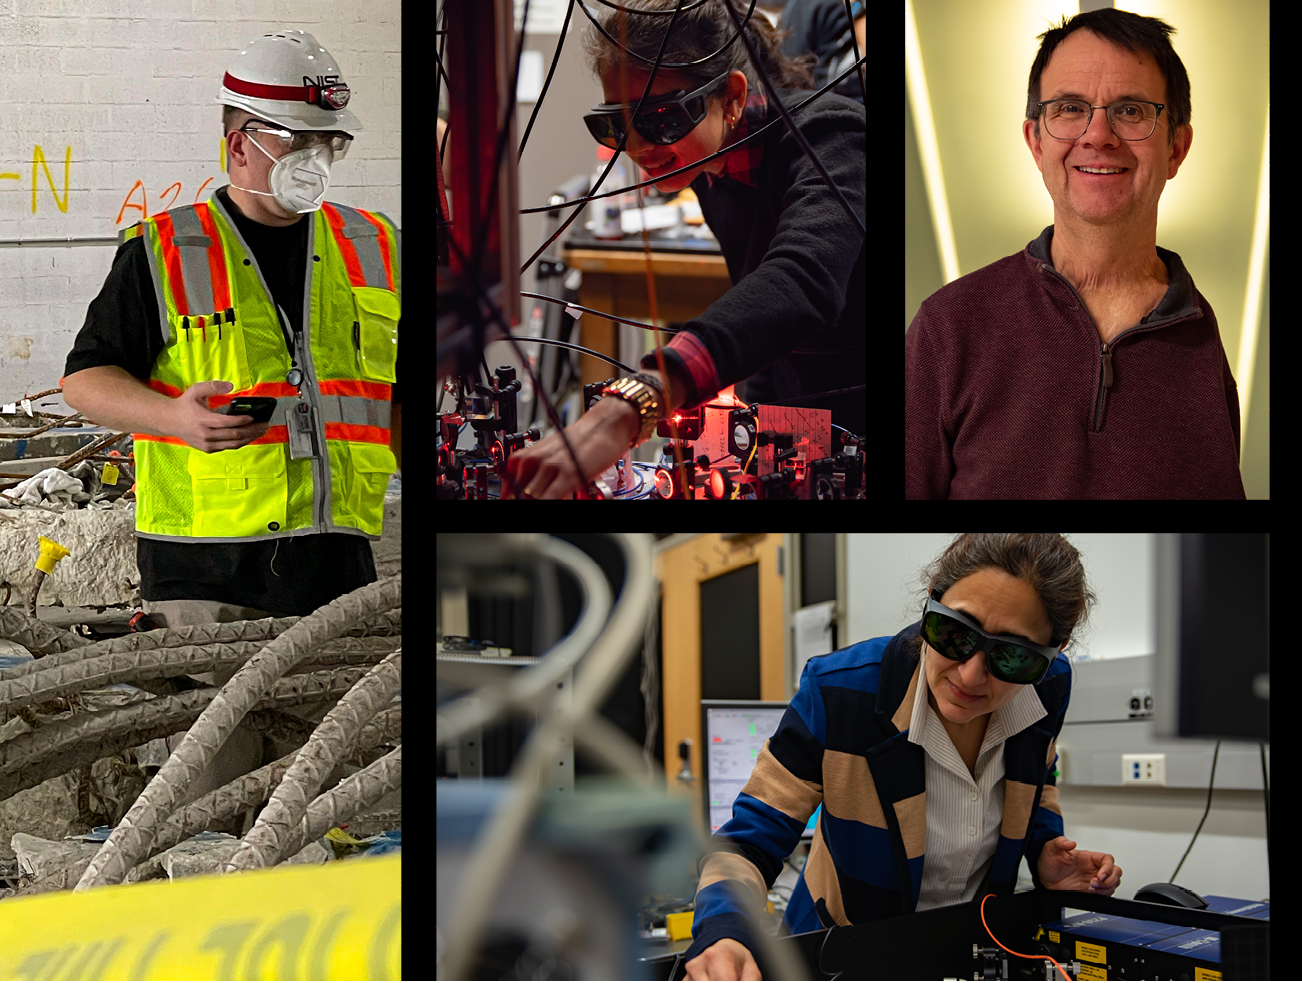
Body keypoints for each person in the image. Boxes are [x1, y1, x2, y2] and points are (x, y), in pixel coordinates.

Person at [59, 29, 399, 628]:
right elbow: (85, 380)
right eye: (297, 139)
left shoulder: (374, 244)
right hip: (204, 575)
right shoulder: (165, 250)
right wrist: (174, 419)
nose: (316, 159)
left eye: (330, 142)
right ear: (240, 146)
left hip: (338, 561)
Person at [679, 533, 1120, 982]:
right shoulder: (839, 691)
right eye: (955, 633)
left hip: (973, 950)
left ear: (1053, 652)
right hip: (845, 957)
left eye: (1012, 656)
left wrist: (1044, 848)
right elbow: (748, 844)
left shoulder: (1048, 686)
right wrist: (725, 928)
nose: (970, 674)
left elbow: (1036, 781)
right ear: (931, 603)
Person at [505, 0, 865, 499]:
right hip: (799, 424)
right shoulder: (712, 167)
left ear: (732, 98)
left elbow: (803, 281)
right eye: (616, 124)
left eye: (660, 118)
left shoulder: (833, 136)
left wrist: (636, 399)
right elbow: (765, 326)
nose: (636, 147)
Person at [905, 8, 1242, 499]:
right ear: (1035, 141)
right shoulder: (948, 327)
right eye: (1069, 108)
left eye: (1130, 110)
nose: (1098, 135)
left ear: (1176, 148)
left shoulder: (1199, 339)